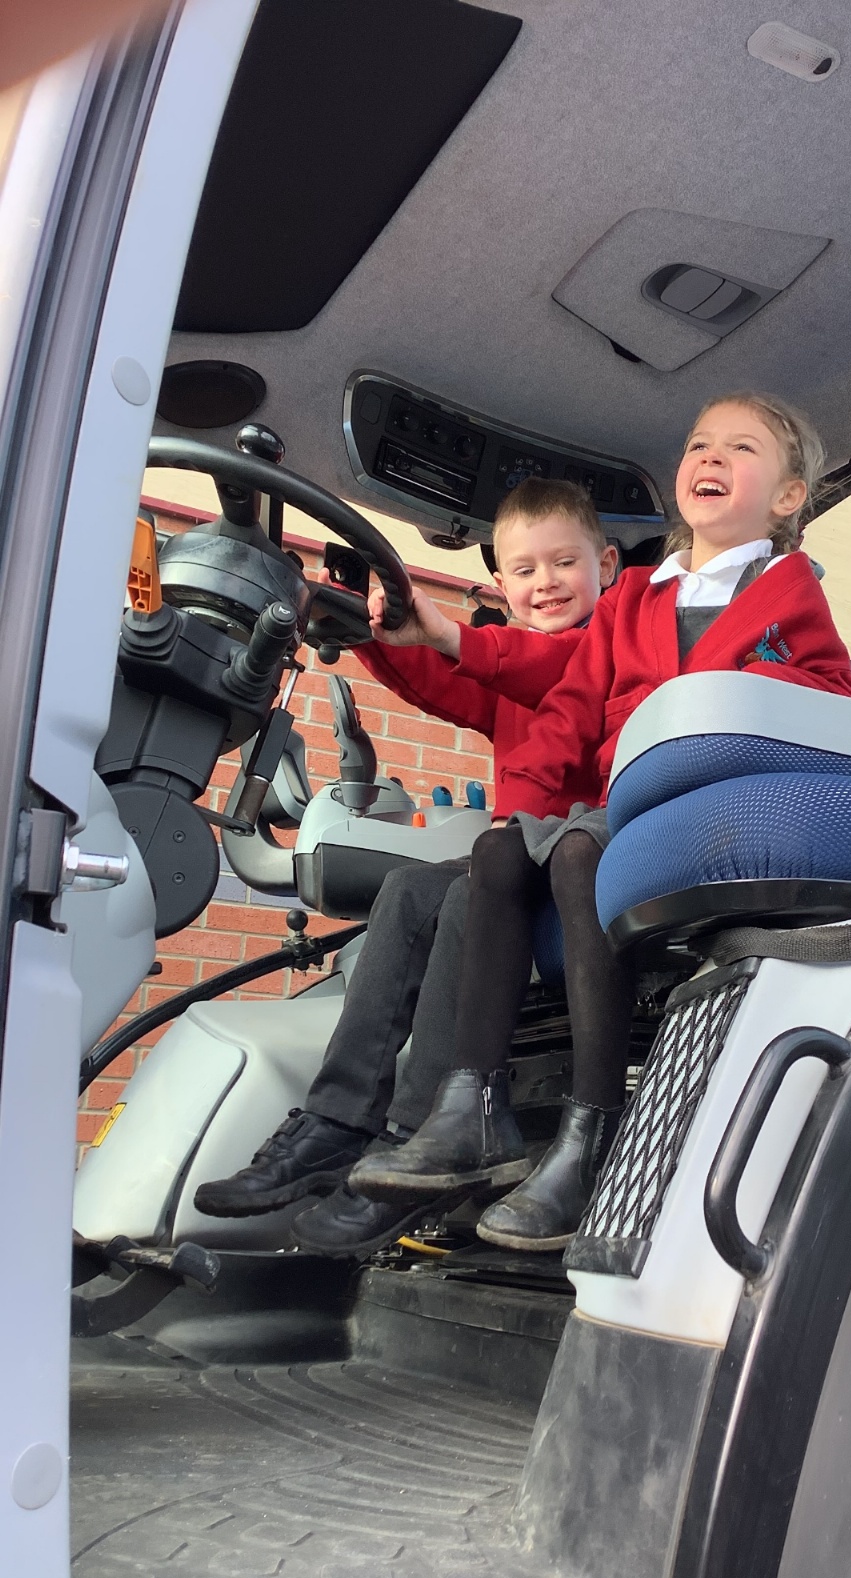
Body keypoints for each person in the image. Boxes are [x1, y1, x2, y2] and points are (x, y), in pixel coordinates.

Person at [349, 392, 851, 1250]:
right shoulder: (631, 600)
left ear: (787, 496)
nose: (710, 457)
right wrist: (516, 812)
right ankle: (474, 1108)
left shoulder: (791, 596)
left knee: (582, 852)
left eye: (740, 448)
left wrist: (728, 694)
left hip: (712, 805)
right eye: (699, 444)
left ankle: (591, 1129)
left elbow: (832, 696)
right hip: (628, 803)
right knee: (503, 856)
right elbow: (573, 707)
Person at [191, 478, 618, 1254]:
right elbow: (447, 680)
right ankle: (337, 1120)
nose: (546, 583)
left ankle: (422, 1140)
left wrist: (449, 632)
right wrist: (372, 630)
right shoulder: (512, 664)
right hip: (515, 857)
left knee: (461, 896)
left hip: (583, 862)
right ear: (501, 584)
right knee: (408, 891)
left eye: (565, 563)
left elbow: (538, 665)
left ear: (608, 567)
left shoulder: (612, 646)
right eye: (526, 570)